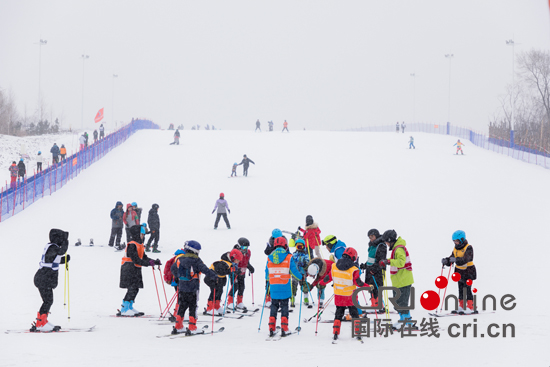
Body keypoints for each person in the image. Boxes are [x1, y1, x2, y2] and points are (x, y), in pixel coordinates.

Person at [171, 241, 218, 335]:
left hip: (182, 287)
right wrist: (215, 277)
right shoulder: (196, 260)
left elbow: (173, 269)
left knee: (182, 305)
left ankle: (178, 326)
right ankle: (192, 327)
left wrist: (178, 278)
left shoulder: (179, 259)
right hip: (193, 287)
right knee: (193, 306)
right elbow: (205, 270)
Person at [318, 247, 364, 341]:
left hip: (339, 296)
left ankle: (335, 331)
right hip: (350, 296)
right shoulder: (353, 268)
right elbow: (358, 282)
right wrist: (369, 286)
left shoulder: (334, 266)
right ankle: (358, 332)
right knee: (354, 313)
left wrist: (321, 283)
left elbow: (328, 278)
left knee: (338, 313)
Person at [31, 229, 70, 332]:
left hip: (43, 278)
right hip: (43, 278)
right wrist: (66, 243)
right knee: (48, 301)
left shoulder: (52, 247)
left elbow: (51, 260)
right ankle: (41, 323)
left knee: (48, 301)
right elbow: (58, 253)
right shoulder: (53, 247)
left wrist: (64, 260)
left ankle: (42, 321)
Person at [118, 225, 161, 316]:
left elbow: (144, 257)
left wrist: (153, 261)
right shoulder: (132, 245)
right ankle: (124, 308)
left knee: (136, 288)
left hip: (135, 269)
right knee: (132, 288)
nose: (143, 236)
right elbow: (136, 259)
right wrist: (149, 264)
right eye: (142, 234)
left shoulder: (139, 245)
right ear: (137, 234)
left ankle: (129, 306)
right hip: (128, 268)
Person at [265, 236, 303, 337]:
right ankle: (284, 328)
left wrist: (268, 281)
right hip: (285, 286)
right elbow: (293, 271)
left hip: (273, 286)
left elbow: (267, 273)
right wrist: (301, 278)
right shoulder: (288, 257)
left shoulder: (269, 257)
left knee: (274, 305)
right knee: (284, 306)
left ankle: (271, 327)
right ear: (284, 245)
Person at [379, 229, 416, 330]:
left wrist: (388, 261)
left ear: (390, 240)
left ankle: (407, 322)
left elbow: (401, 262)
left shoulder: (399, 249)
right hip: (399, 281)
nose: (386, 244)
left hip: (404, 280)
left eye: (386, 241)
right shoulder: (396, 248)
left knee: (402, 304)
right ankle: (404, 320)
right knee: (397, 303)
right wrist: (387, 261)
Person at [442, 230, 476, 314]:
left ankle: (470, 306)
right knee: (460, 289)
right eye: (454, 241)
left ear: (461, 239)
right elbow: (452, 258)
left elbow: (466, 259)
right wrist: (446, 261)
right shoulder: (455, 248)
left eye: (457, 241)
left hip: (468, 271)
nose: (455, 243)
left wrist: (456, 260)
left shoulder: (468, 247)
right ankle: (461, 306)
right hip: (459, 272)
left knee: (467, 288)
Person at [205, 249, 242, 315]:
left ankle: (217, 306)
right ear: (233, 257)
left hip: (219, 279)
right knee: (214, 291)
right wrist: (231, 271)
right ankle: (209, 308)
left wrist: (235, 272)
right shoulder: (223, 263)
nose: (237, 262)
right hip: (211, 278)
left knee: (220, 291)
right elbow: (221, 271)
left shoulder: (230, 263)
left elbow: (227, 272)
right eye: (237, 260)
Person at [360, 229, 387, 312]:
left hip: (377, 271)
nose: (371, 238)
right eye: (369, 237)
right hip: (370, 270)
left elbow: (381, 260)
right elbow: (371, 259)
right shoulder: (372, 245)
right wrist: (365, 265)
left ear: (376, 235)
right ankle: (374, 304)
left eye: (372, 236)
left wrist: (374, 269)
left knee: (377, 288)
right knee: (370, 288)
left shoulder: (381, 245)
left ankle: (378, 305)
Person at [228, 238, 255, 310]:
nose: (245, 249)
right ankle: (229, 302)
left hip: (242, 272)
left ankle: (239, 302)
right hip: (235, 273)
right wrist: (235, 270)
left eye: (246, 247)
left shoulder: (248, 252)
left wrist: (250, 267)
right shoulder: (235, 252)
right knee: (235, 286)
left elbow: (246, 262)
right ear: (239, 246)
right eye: (243, 247)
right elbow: (232, 262)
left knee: (242, 287)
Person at [290, 239, 310, 307]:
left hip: (302, 273)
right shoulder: (293, 254)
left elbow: (308, 263)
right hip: (295, 273)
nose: (299, 248)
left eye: (300, 246)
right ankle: (292, 298)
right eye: (297, 246)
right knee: (293, 286)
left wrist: (304, 264)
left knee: (304, 286)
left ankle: (306, 298)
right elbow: (291, 262)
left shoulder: (305, 255)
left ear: (303, 247)